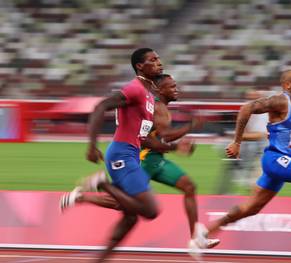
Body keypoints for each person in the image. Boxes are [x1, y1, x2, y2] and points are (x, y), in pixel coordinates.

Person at [62, 74, 220, 250]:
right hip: (143, 160)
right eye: (172, 86)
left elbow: (162, 137)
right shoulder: (158, 108)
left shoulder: (163, 108)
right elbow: (165, 136)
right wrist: (190, 127)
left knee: (189, 186)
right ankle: (81, 196)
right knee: (124, 203)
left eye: (176, 86)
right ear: (160, 90)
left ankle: (196, 238)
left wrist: (178, 144)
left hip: (156, 159)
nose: (177, 89)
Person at [192, 69, 291, 250]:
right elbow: (246, 108)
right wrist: (237, 142)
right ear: (287, 85)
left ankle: (205, 232)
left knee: (251, 208)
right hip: (275, 160)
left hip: (281, 164)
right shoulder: (280, 101)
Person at [60, 48, 164, 262]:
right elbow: (101, 106)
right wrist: (91, 145)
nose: (159, 63)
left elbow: (142, 136)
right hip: (121, 155)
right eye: (153, 60)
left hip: (130, 155)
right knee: (150, 210)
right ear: (140, 66)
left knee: (129, 217)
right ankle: (102, 183)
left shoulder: (149, 98)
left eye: (159, 59)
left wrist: (169, 147)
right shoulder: (134, 89)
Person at [217, 89, 269, 194]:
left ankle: (241, 176)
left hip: (263, 150)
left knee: (256, 185)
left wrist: (238, 137)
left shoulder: (264, 114)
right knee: (224, 149)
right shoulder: (247, 111)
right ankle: (239, 176)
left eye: (254, 98)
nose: (251, 101)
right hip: (251, 147)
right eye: (249, 98)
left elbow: (261, 135)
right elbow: (244, 130)